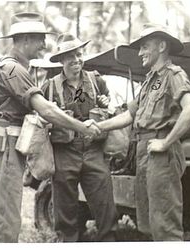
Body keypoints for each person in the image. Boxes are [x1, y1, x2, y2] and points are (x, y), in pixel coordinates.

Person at [0, 13, 100, 243]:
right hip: (4, 150)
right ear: (24, 40)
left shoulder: (6, 66)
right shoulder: (14, 70)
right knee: (3, 219)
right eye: (39, 39)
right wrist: (80, 127)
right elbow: (46, 110)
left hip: (1, 147)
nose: (44, 44)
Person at [94, 24, 190, 241]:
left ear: (161, 46)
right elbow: (129, 116)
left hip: (161, 154)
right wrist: (97, 126)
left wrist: (166, 143)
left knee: (165, 225)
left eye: (144, 47)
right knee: (148, 222)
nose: (140, 53)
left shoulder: (174, 75)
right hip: (144, 154)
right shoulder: (151, 81)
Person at [41, 34, 117, 242]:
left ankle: (108, 241)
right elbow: (41, 115)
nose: (76, 59)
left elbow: (108, 108)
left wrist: (104, 102)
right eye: (70, 56)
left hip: (93, 149)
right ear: (61, 60)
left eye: (79, 54)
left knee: (104, 202)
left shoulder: (96, 80)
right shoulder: (50, 87)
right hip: (64, 151)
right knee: (64, 207)